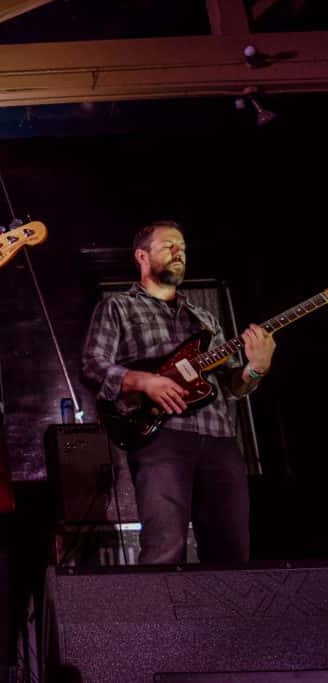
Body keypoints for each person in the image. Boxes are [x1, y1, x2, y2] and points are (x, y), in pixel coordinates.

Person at [82, 220, 275, 564]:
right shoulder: (118, 307)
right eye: (168, 245)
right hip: (161, 435)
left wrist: (255, 368)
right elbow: (93, 365)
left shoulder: (205, 320)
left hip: (219, 438)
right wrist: (144, 381)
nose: (178, 252)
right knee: (165, 548)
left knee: (232, 552)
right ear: (142, 256)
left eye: (182, 248)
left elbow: (231, 386)